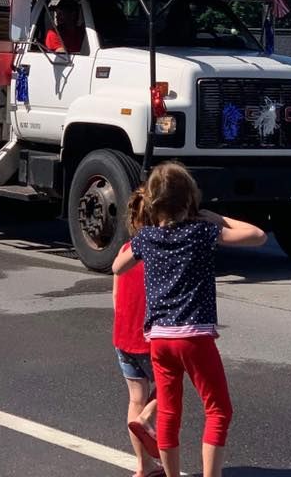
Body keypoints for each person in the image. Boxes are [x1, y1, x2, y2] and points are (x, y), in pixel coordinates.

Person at [112, 162, 267, 477]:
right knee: (218, 409)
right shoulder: (202, 232)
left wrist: (145, 240)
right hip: (194, 336)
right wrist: (216, 217)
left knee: (169, 413)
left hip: (159, 339)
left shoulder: (146, 238)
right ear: (189, 199)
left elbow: (117, 266)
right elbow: (257, 235)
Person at [114, 221, 164, 477]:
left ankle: (144, 466)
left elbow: (116, 298)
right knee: (169, 390)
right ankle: (146, 419)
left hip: (124, 338)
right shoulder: (160, 255)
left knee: (136, 398)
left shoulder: (124, 250)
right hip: (150, 339)